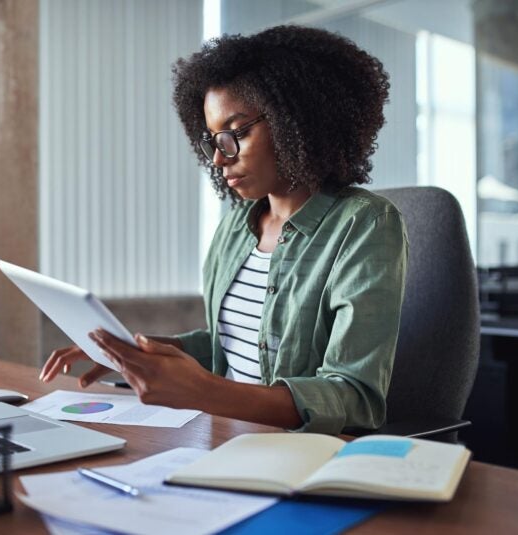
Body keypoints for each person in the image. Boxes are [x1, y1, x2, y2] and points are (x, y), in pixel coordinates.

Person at [39, 25, 408, 434]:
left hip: (295, 456)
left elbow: (354, 399)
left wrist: (204, 392)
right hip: (223, 437)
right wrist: (135, 352)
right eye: (213, 139)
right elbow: (226, 348)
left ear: (297, 121)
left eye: (235, 133)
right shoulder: (236, 226)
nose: (218, 158)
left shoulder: (364, 224)